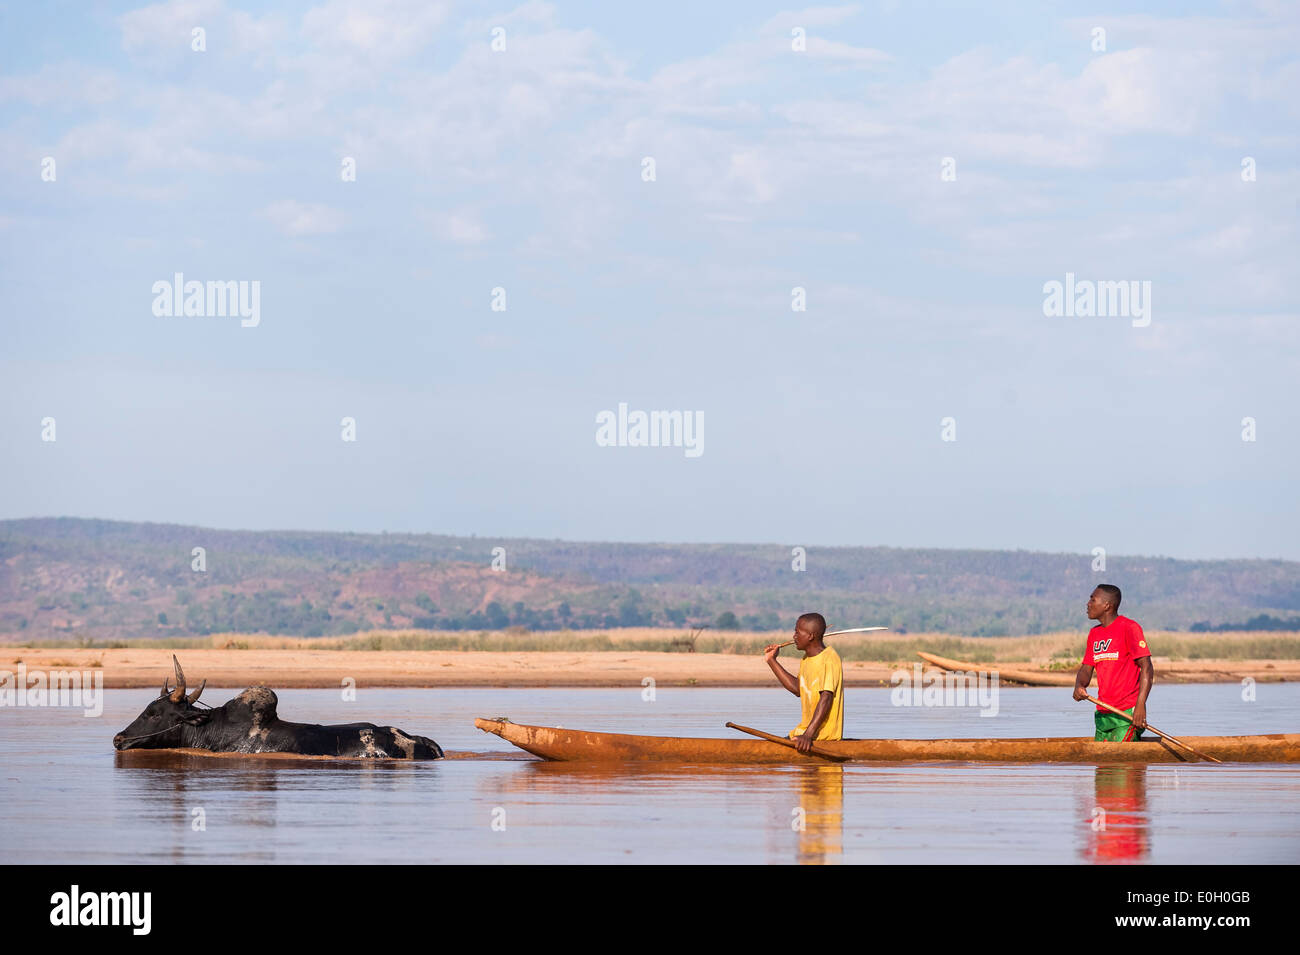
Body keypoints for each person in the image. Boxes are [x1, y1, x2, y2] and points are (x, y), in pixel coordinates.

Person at [1072, 585, 1154, 741]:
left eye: (1092, 599)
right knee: (1103, 765)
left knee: (1122, 764)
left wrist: (1140, 705)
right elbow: (1086, 668)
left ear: (1107, 605)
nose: (1088, 603)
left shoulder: (1129, 628)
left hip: (1126, 714)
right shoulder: (1094, 633)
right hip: (1103, 714)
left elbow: (1147, 668)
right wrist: (1079, 686)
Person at [764, 612, 843, 752]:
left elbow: (826, 697)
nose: (794, 636)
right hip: (803, 733)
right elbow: (798, 690)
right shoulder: (806, 660)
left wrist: (808, 735)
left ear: (810, 636)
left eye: (797, 632)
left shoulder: (829, 658)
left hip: (821, 737)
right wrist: (771, 661)